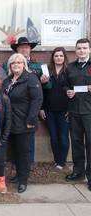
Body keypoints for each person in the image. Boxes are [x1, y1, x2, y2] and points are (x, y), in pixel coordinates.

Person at [3, 36, 50, 168]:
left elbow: (48, 87)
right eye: (21, 47)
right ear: (17, 50)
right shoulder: (8, 64)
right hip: (13, 114)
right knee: (16, 144)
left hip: (29, 110)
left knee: (27, 144)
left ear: (30, 49)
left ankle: (27, 166)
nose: (24, 49)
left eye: (26, 47)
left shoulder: (39, 64)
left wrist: (45, 82)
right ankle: (18, 166)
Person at [2, 53, 43, 193]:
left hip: (25, 123)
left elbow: (37, 100)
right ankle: (18, 174)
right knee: (14, 151)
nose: (16, 65)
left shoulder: (30, 79)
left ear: (24, 64)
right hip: (10, 123)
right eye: (13, 63)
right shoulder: (8, 81)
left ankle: (23, 180)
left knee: (24, 152)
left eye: (19, 62)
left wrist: (31, 119)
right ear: (10, 66)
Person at [63, 38, 91, 191]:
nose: (81, 51)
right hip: (74, 110)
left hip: (89, 111)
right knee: (77, 142)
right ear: (76, 50)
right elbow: (65, 84)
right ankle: (78, 172)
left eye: (84, 48)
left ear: (89, 50)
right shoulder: (71, 68)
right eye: (79, 48)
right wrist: (67, 91)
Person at [39, 47, 70, 173]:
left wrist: (71, 109)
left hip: (65, 110)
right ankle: (57, 161)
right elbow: (41, 92)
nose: (58, 58)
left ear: (64, 57)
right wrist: (41, 108)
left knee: (63, 137)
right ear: (53, 57)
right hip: (49, 110)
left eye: (61, 56)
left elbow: (72, 91)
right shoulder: (46, 71)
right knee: (54, 137)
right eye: (56, 56)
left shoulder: (69, 71)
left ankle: (62, 162)